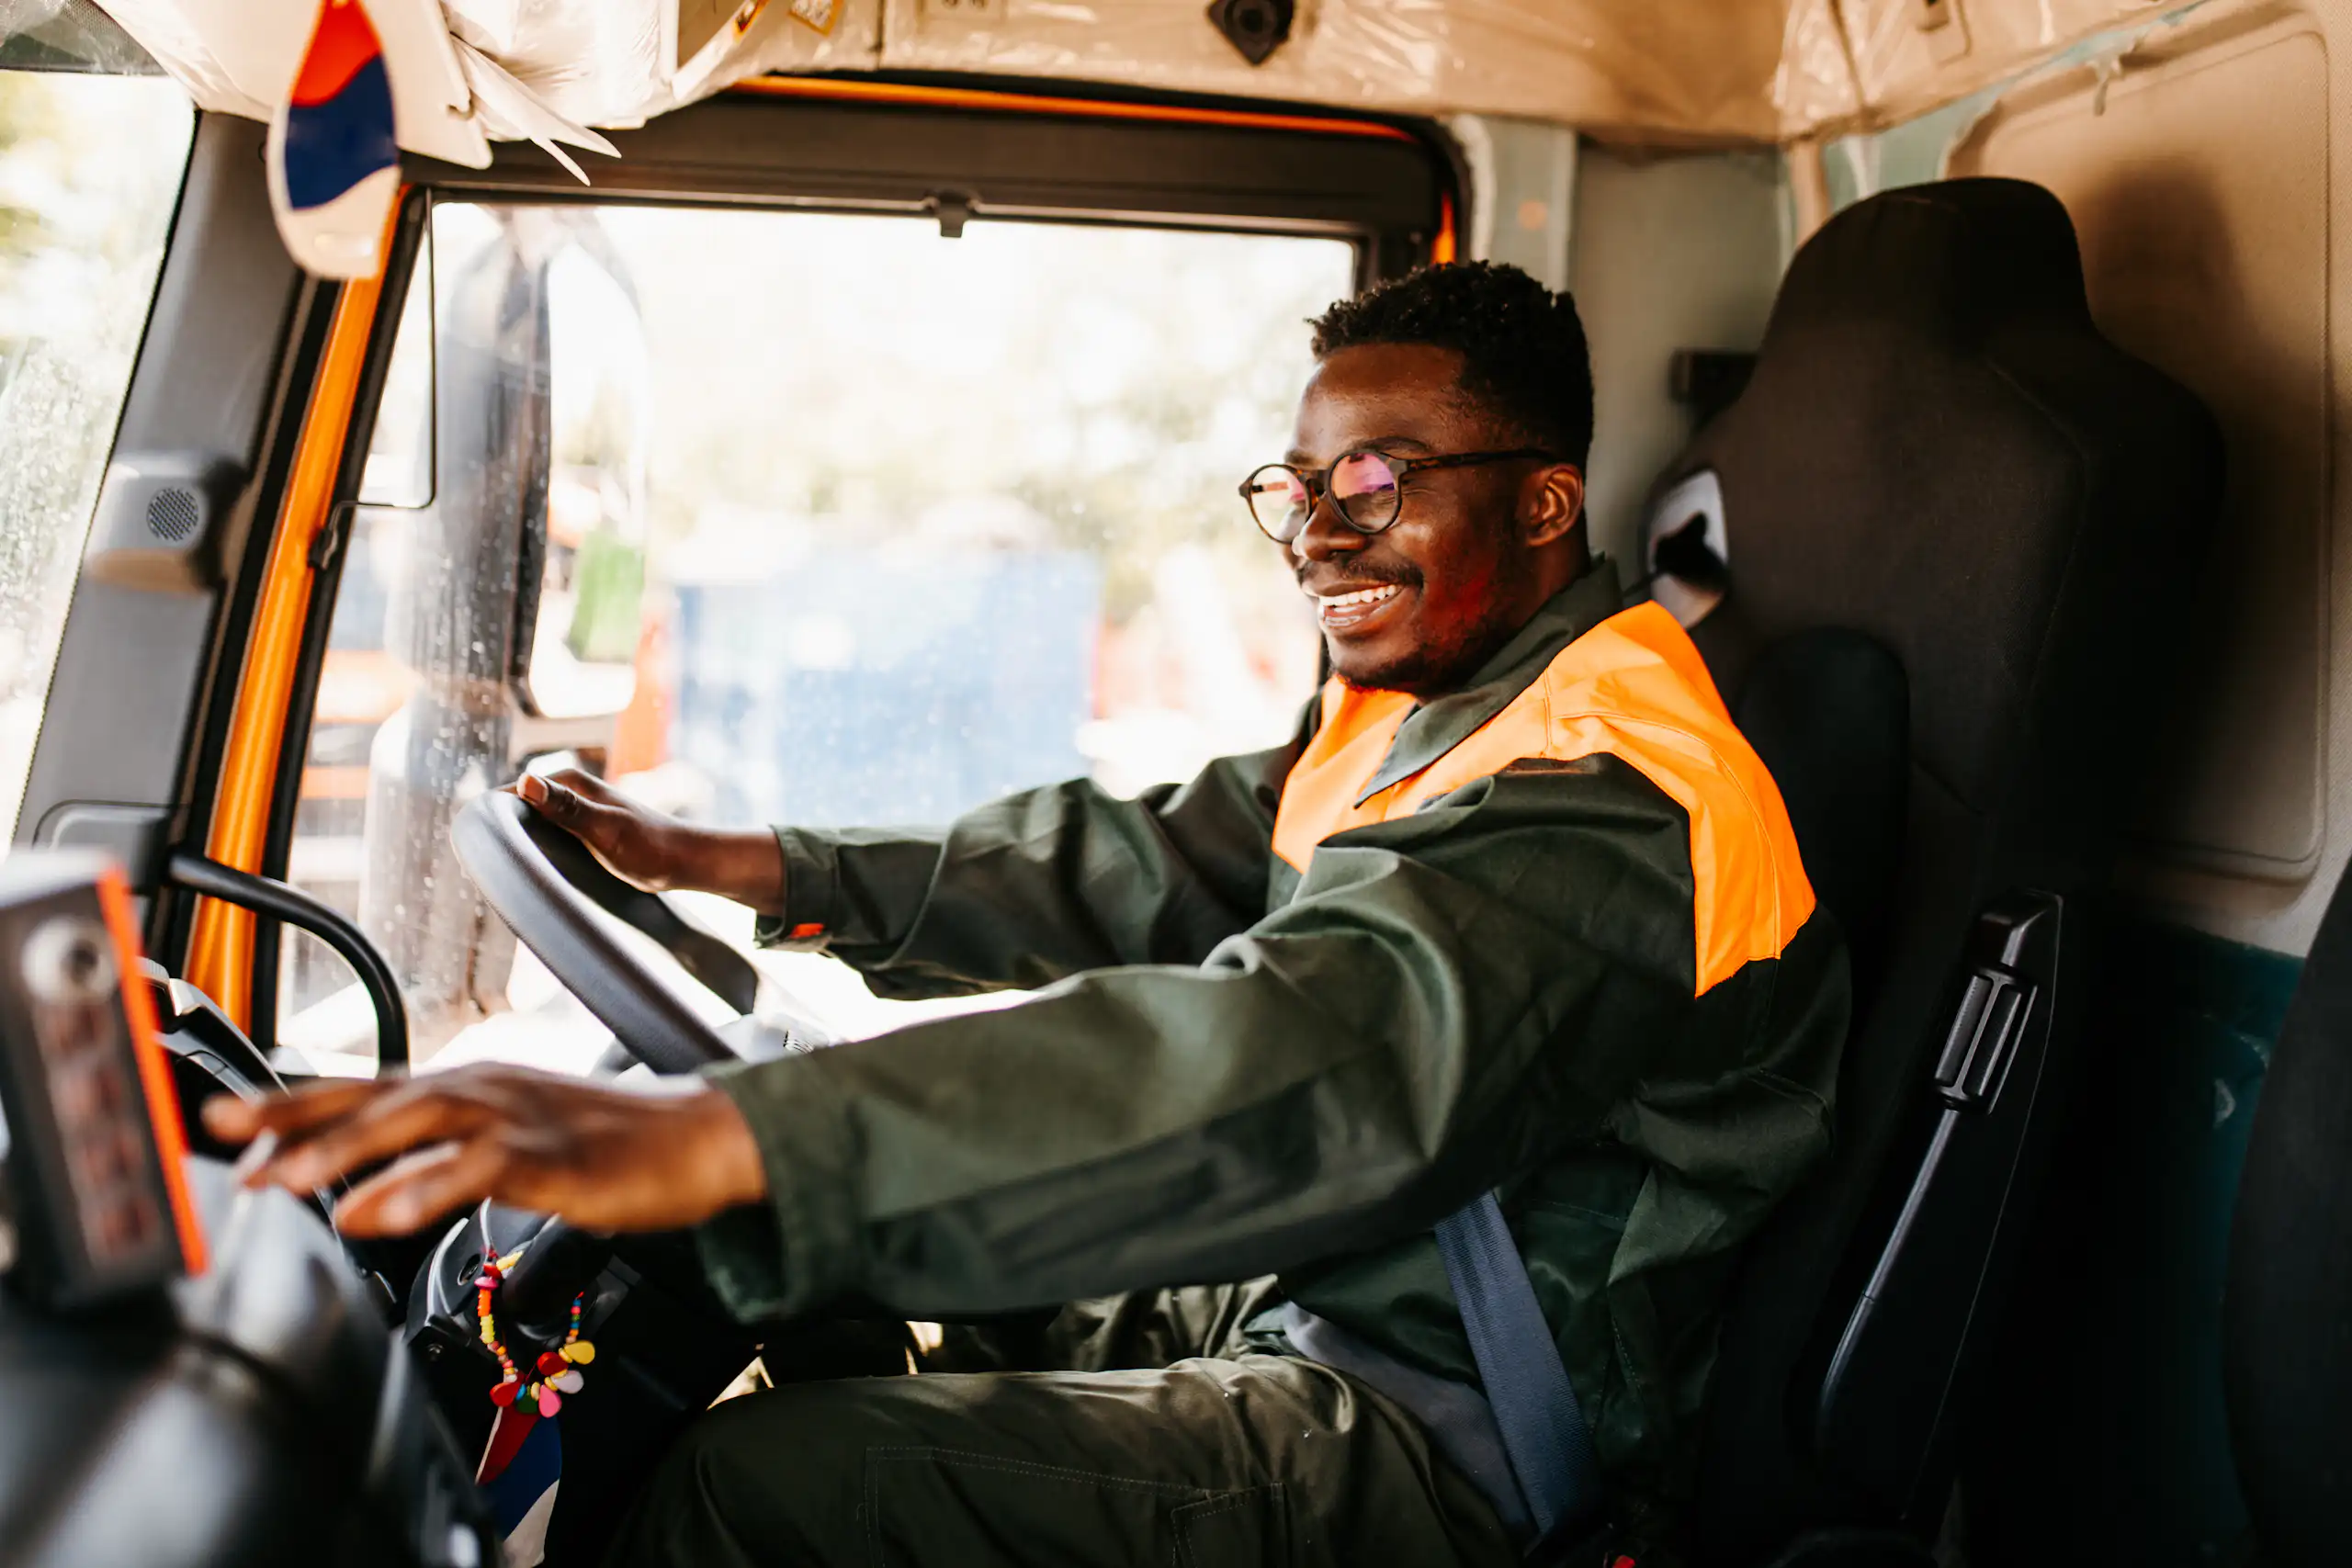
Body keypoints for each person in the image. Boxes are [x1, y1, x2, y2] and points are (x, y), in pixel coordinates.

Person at [207, 261, 1848, 1566]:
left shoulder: (1613, 789)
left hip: (1441, 1425)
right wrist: (755, 864)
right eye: (1299, 484)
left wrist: (741, 1138)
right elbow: (1139, 857)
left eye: (1378, 474)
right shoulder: (1444, 705)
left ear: (1548, 500)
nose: (1321, 528)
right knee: (791, 1287)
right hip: (1322, 1281)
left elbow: (1297, 1056)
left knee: (748, 1491)